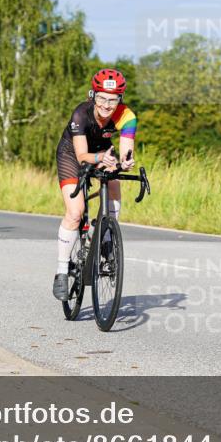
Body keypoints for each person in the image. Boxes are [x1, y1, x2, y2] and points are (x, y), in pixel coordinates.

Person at [53, 68, 137, 300]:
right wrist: (101, 159)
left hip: (102, 152)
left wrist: (125, 161)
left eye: (113, 100)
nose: (107, 105)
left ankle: (106, 238)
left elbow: (126, 147)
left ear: (120, 99)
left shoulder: (127, 116)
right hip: (72, 154)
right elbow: (82, 156)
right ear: (93, 95)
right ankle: (61, 270)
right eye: (101, 98)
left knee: (114, 183)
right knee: (75, 212)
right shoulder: (81, 113)